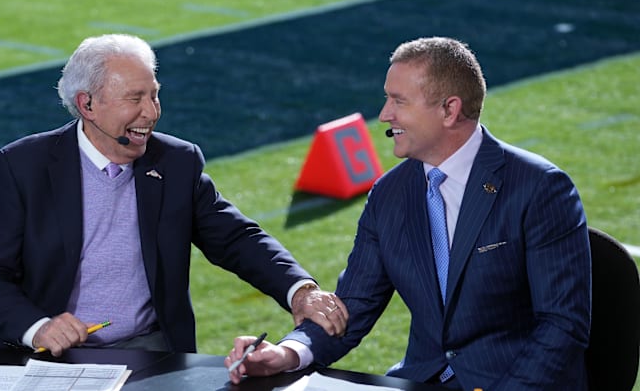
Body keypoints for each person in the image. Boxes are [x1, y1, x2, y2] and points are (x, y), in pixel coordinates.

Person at [225, 37, 591, 390]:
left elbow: (561, 325)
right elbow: (355, 302)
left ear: (449, 109)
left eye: (398, 101)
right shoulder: (390, 193)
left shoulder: (540, 187)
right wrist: (288, 353)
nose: (385, 114)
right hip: (421, 379)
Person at [0, 34, 349, 357]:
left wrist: (299, 290)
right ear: (87, 104)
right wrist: (38, 327)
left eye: (154, 95)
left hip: (150, 350)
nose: (151, 112)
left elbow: (236, 238)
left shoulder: (177, 161)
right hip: (48, 353)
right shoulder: (24, 165)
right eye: (135, 99)